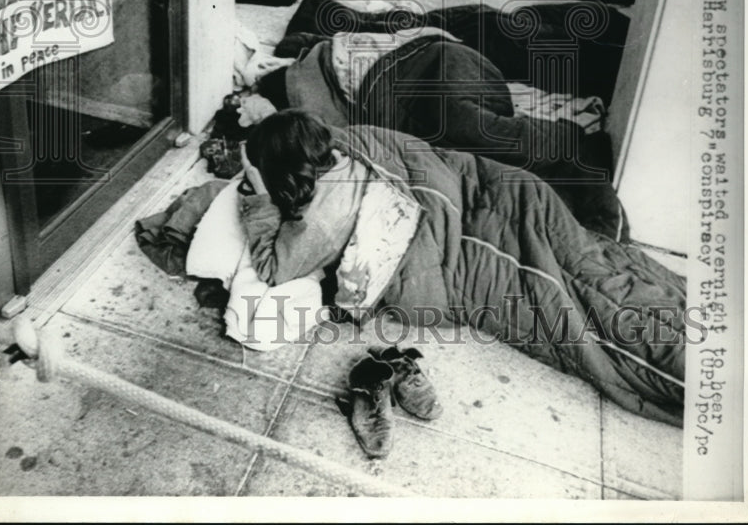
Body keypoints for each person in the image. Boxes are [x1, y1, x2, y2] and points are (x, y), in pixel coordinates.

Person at [238, 108, 686, 427]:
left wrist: (258, 195)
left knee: (574, 314)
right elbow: (422, 153)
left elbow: (274, 268)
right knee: (595, 268)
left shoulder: (317, 223)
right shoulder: (354, 141)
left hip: (466, 254)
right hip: (509, 195)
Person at [255, 25, 625, 241]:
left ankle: (571, 142)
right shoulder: (319, 121)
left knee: (471, 131)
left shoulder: (315, 81)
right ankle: (568, 166)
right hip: (414, 97)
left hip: (429, 67)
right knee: (471, 163)